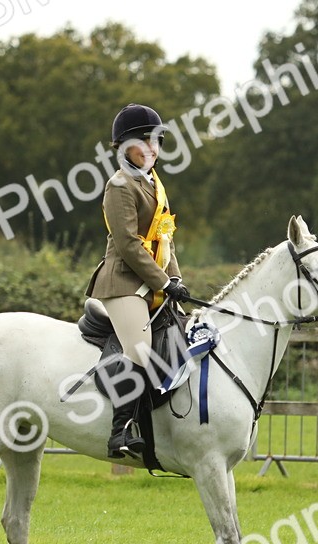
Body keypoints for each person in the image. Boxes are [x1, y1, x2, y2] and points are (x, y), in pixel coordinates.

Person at [86, 102, 190, 459]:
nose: (151, 149)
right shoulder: (119, 187)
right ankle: (120, 433)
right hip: (123, 282)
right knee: (140, 350)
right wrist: (163, 281)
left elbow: (165, 238)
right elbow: (129, 245)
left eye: (156, 141)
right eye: (143, 141)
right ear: (123, 147)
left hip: (153, 281)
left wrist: (175, 279)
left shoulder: (155, 185)